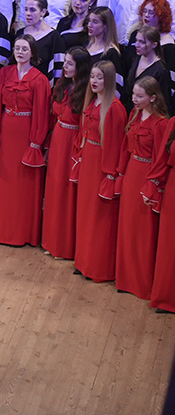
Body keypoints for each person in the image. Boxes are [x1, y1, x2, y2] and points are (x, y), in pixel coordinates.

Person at [0, 35, 51, 246]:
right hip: (7, 131)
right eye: (17, 48)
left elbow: (41, 113)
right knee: (5, 181)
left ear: (32, 52)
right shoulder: (5, 73)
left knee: (23, 184)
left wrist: (36, 142)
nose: (20, 52)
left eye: (25, 49)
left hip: (26, 134)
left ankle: (22, 233)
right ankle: (3, 231)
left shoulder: (40, 79)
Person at [115, 76, 169, 299]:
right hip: (131, 173)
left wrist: (152, 185)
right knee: (127, 228)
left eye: (139, 96)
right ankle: (125, 279)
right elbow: (125, 147)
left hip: (146, 176)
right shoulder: (134, 114)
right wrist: (120, 174)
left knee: (143, 232)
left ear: (153, 98)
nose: (134, 99)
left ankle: (142, 284)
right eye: (133, 95)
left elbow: (160, 158)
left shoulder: (161, 123)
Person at [73, 59, 125, 282]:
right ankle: (83, 261)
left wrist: (110, 175)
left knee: (99, 217)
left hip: (101, 167)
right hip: (88, 162)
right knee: (85, 213)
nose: (94, 81)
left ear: (109, 80)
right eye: (92, 77)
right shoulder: (92, 102)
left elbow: (115, 146)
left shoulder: (115, 109)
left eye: (99, 78)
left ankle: (97, 267)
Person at [42, 47, 90, 260]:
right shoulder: (62, 85)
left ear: (81, 67)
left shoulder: (86, 91)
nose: (65, 67)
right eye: (65, 62)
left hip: (72, 143)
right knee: (54, 190)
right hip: (58, 139)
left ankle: (65, 246)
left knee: (66, 193)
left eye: (70, 63)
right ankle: (52, 242)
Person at [149, 117, 175, 312]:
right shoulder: (173, 122)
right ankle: (167, 297)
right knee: (169, 243)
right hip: (173, 188)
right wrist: (155, 184)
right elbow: (162, 159)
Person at [123, 26, 174, 114]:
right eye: (136, 40)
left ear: (154, 45)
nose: (137, 45)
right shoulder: (136, 59)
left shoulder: (161, 70)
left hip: (148, 115)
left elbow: (164, 101)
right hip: (130, 112)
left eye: (142, 42)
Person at [85, 6, 124, 92]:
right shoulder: (86, 46)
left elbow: (117, 85)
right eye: (89, 21)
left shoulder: (111, 53)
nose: (90, 25)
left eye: (95, 22)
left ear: (105, 26)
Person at [20, 0, 58, 77]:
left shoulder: (53, 36)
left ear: (43, 12)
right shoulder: (20, 33)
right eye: (26, 9)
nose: (28, 13)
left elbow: (58, 67)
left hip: (42, 82)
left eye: (32, 10)